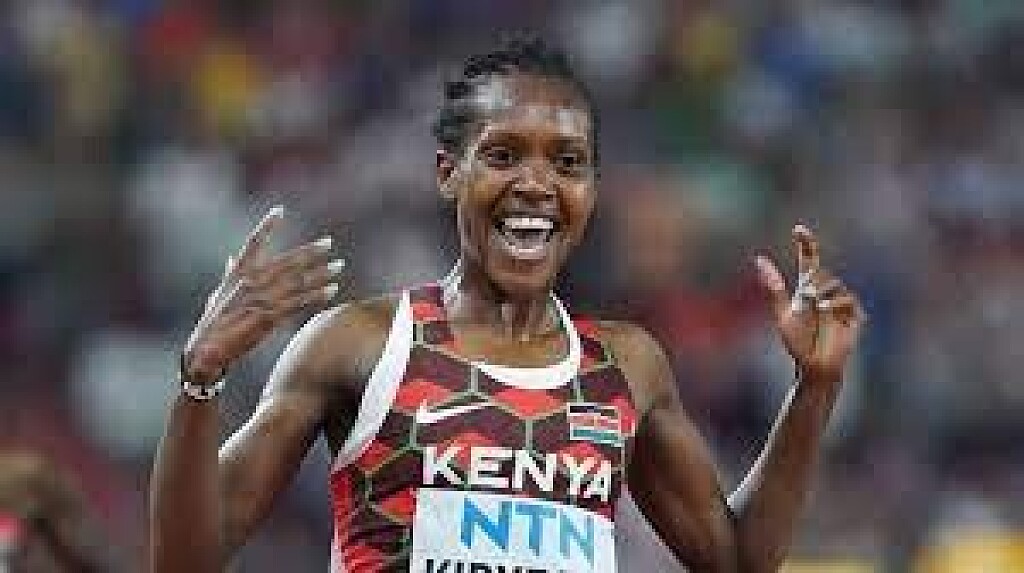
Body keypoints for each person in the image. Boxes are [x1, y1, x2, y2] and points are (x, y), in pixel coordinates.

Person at [150, 36, 865, 573]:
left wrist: (815, 389)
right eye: (503, 155)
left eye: (567, 162)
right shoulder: (360, 343)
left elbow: (736, 560)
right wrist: (199, 377)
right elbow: (185, 560)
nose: (536, 184)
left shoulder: (626, 365)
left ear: (592, 188)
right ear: (448, 172)